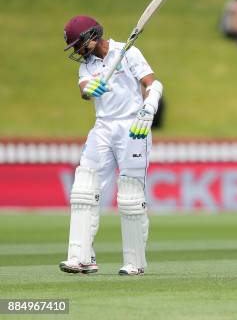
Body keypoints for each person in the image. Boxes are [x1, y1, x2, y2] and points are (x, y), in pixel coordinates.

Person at [59, 15, 163, 276]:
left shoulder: (127, 52)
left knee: (129, 194)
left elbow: (152, 83)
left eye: (78, 44)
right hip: (103, 127)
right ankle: (81, 258)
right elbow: (85, 90)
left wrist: (149, 108)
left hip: (132, 126)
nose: (77, 50)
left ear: (92, 37)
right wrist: (90, 88)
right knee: (83, 188)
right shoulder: (86, 66)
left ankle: (135, 262)